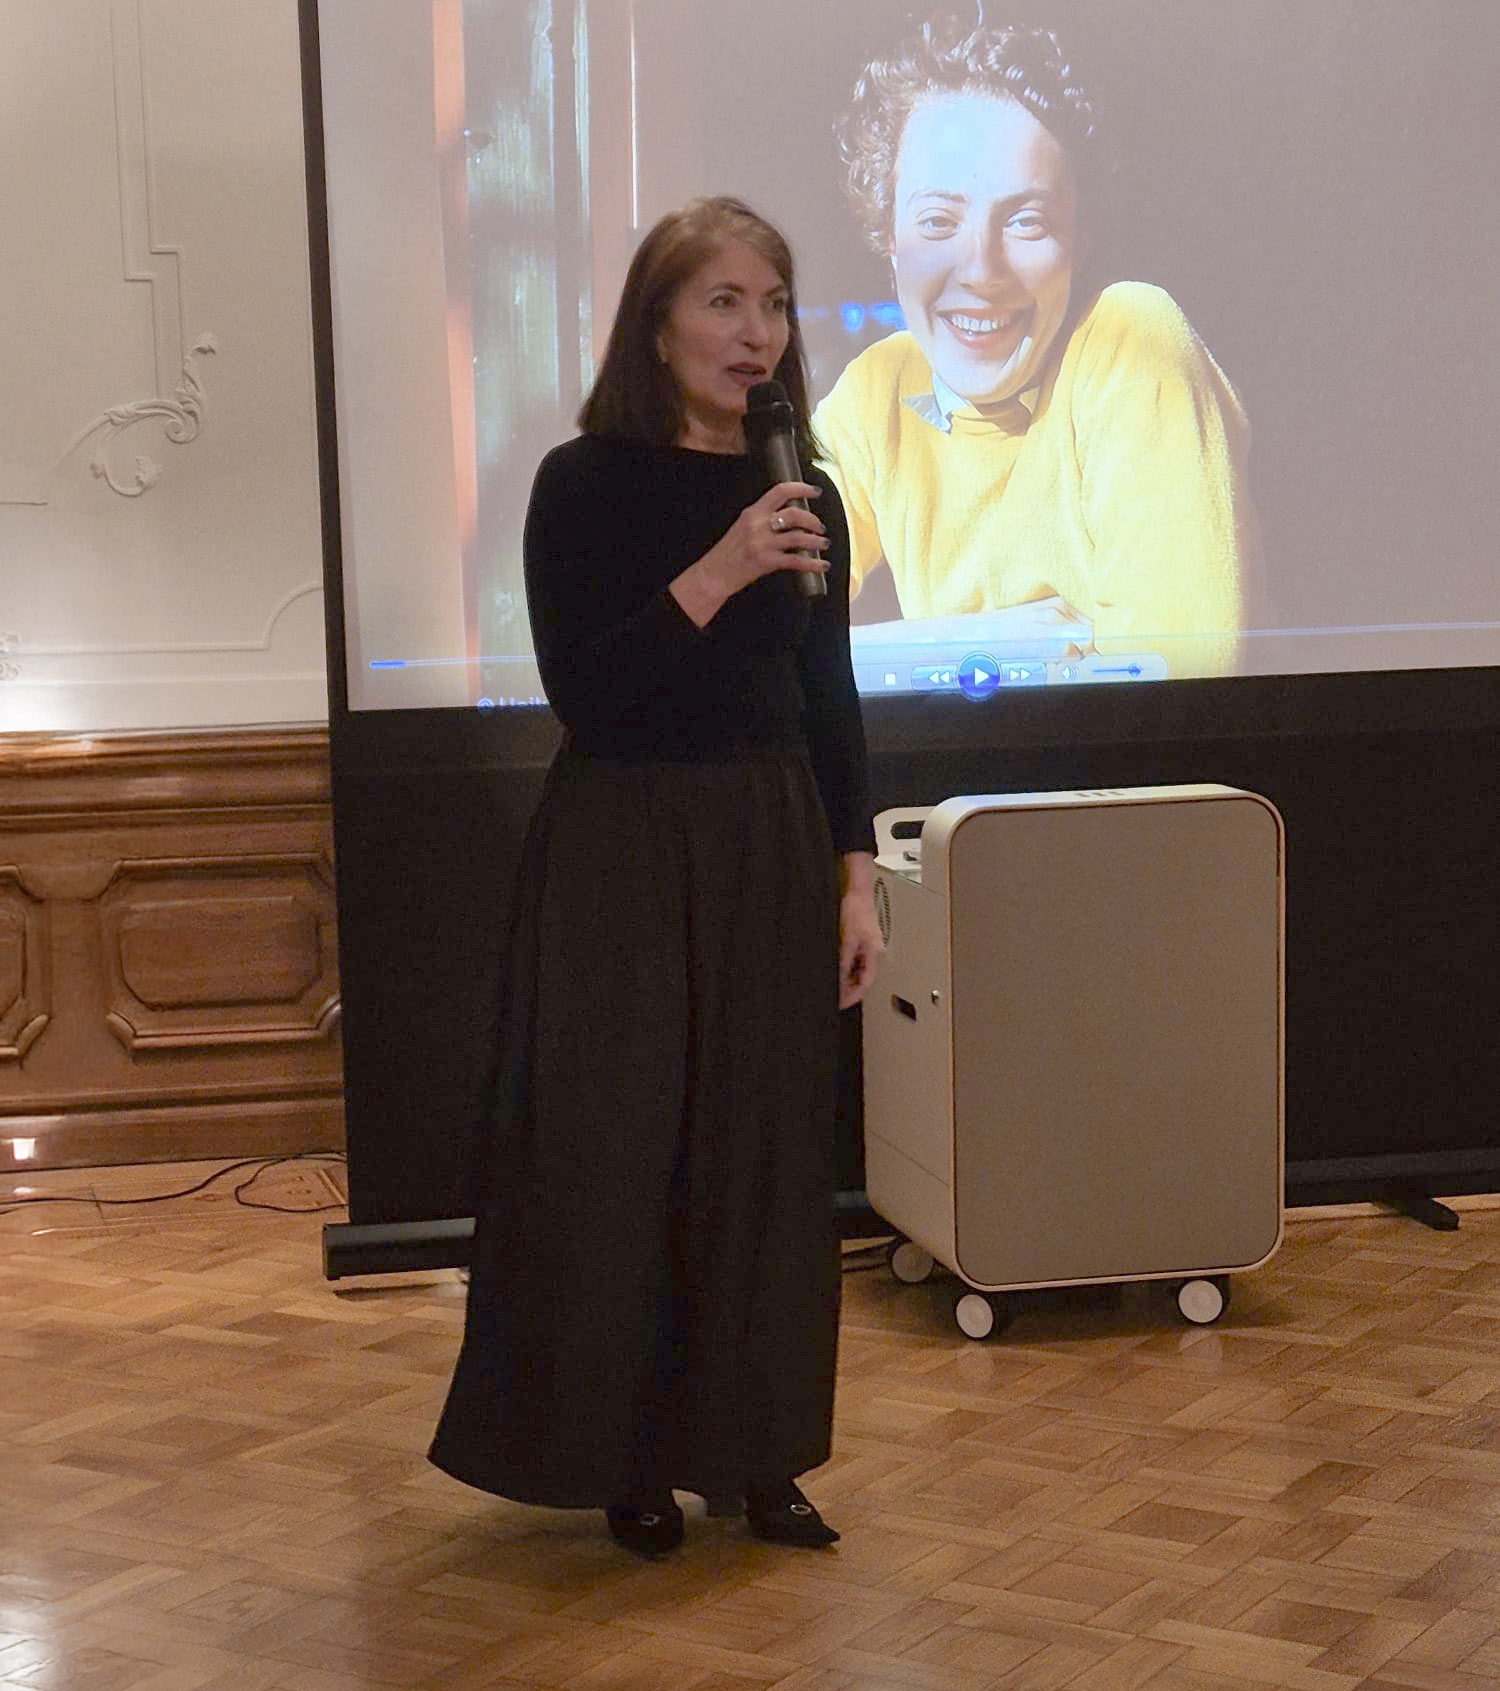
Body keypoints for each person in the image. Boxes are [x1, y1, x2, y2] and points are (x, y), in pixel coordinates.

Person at [429, 196, 882, 1557]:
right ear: (659, 322)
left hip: (767, 836)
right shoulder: (584, 481)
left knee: (763, 1151)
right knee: (618, 1152)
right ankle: (623, 1453)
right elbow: (592, 688)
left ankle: (757, 1454)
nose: (757, 334)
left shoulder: (807, 479)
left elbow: (829, 695)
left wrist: (857, 876)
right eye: (725, 303)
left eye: (776, 304)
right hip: (623, 838)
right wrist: (724, 564)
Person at [813, 16, 1258, 678]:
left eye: (1026, 222)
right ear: (890, 241)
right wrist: (1043, 640)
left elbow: (1184, 673)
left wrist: (895, 659)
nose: (982, 272)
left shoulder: (1132, 338)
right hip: (961, 781)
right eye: (938, 221)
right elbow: (756, 641)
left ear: (1078, 242)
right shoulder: (877, 388)